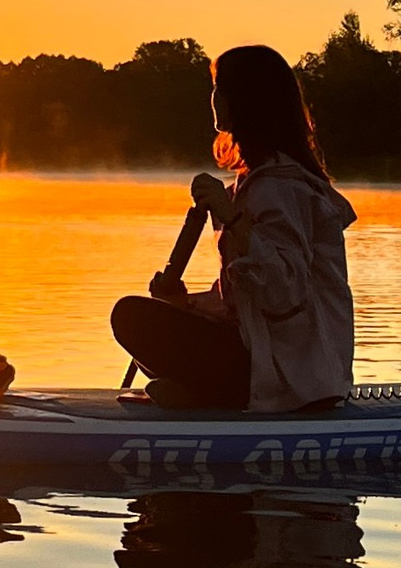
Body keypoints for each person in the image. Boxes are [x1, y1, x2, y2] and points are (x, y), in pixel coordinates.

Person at [109, 45, 356, 413]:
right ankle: (197, 393)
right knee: (146, 315)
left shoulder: (284, 187)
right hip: (264, 357)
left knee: (129, 316)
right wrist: (182, 303)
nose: (213, 99)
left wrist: (232, 217)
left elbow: (284, 293)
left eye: (219, 88)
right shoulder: (253, 184)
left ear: (246, 100)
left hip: (293, 377)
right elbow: (242, 304)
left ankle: (212, 397)